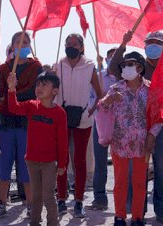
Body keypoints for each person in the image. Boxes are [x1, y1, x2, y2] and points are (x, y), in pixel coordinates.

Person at [109, 31, 163, 224]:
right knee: (136, 172)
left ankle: (162, 211)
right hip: (138, 129)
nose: (153, 45)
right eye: (149, 42)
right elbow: (112, 67)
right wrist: (123, 43)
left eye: (157, 43)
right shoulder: (136, 66)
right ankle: (137, 212)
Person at [99, 52, 162, 226]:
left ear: (140, 68)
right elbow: (101, 108)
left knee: (139, 183)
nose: (126, 67)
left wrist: (152, 135)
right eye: (124, 64)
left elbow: (158, 117)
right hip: (120, 143)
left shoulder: (150, 89)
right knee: (120, 182)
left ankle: (137, 217)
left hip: (142, 144)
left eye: (131, 64)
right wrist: (109, 99)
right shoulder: (116, 88)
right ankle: (119, 216)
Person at [0, 31, 42, 220]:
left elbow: (35, 90)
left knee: (26, 163)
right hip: (7, 120)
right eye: (18, 41)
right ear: (11, 46)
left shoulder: (35, 65)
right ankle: (2, 202)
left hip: (26, 121)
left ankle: (30, 204)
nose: (22, 44)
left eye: (25, 41)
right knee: (4, 162)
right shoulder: (4, 68)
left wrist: (14, 92)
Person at [7, 71, 68, 226]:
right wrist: (11, 89)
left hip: (49, 162)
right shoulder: (31, 106)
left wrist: (62, 164)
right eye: (38, 84)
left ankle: (52, 223)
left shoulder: (60, 113)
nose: (39, 87)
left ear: (55, 91)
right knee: (35, 196)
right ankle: (35, 222)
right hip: (32, 160)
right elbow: (13, 108)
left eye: (44, 84)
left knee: (48, 196)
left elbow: (62, 140)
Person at [54, 33, 102, 218]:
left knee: (79, 161)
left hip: (83, 118)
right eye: (68, 43)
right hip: (62, 117)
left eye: (75, 43)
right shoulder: (59, 65)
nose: (71, 45)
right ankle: (61, 199)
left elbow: (100, 93)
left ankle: (79, 201)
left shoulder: (90, 66)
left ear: (82, 47)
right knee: (62, 160)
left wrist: (90, 110)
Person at [88, 47, 118, 211]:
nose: (112, 59)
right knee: (100, 163)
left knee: (122, 163)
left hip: (122, 124)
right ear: (106, 59)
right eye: (110, 57)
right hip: (101, 123)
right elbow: (91, 97)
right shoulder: (99, 77)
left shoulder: (125, 78)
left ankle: (124, 200)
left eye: (116, 56)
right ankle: (100, 198)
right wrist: (101, 100)